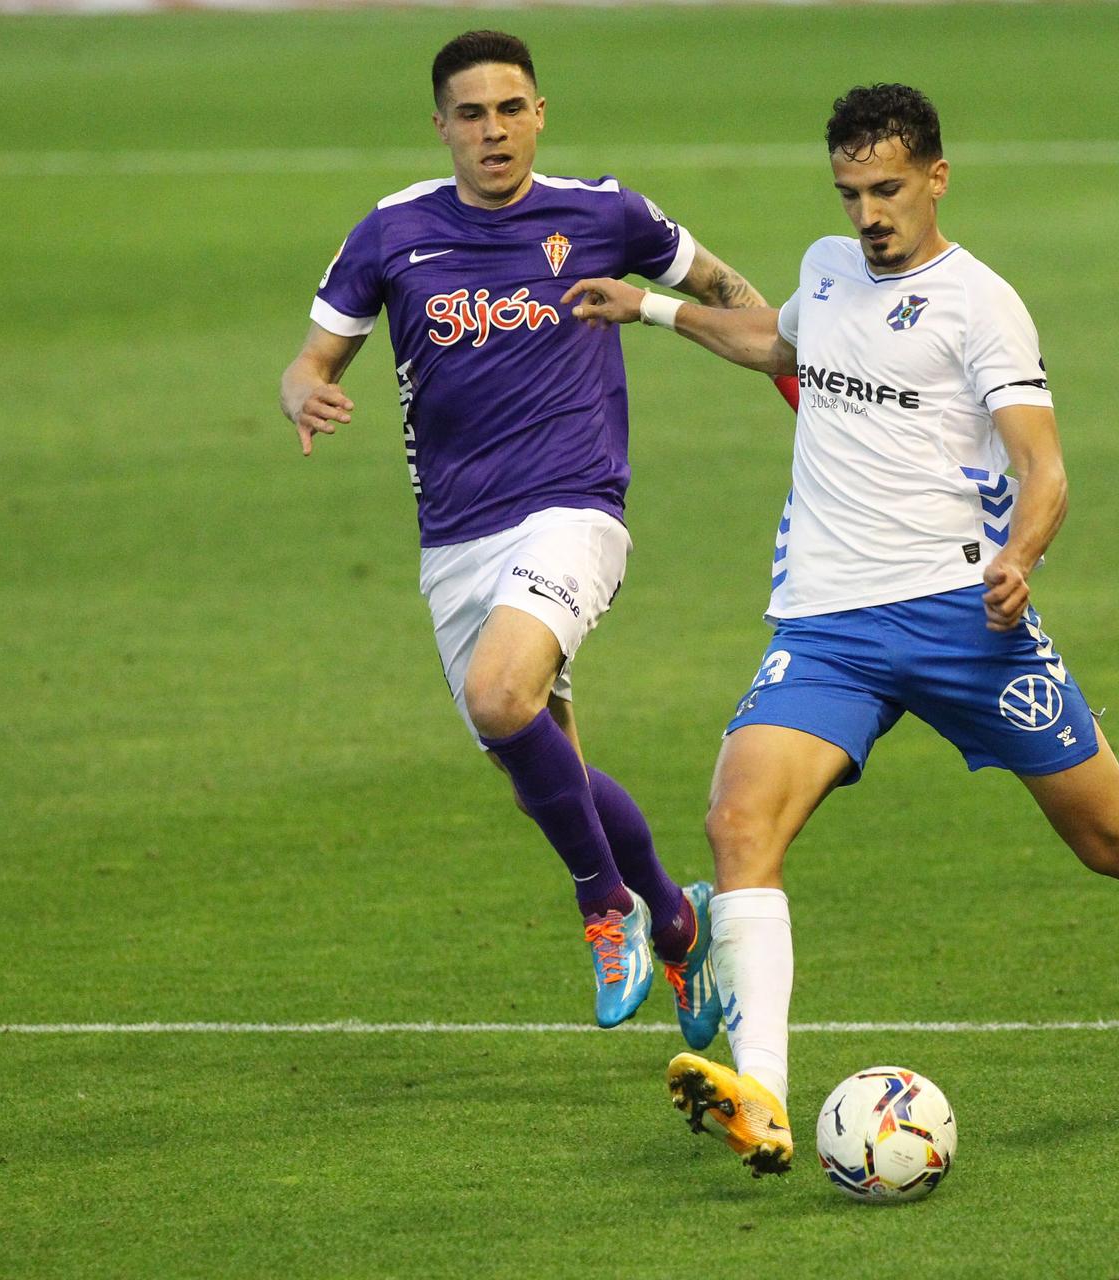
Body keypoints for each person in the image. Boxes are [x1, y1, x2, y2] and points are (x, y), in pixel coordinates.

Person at [567, 82, 1119, 1177]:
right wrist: (654, 309)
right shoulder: (826, 267)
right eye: (848, 192)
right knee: (738, 824)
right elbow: (783, 343)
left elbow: (1042, 465)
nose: (867, 213)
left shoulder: (981, 304)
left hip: (963, 621)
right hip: (826, 623)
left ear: (934, 178)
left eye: (884, 190)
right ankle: (760, 1091)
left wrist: (1022, 557)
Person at [277, 30, 794, 1042]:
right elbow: (312, 359)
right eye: (470, 115)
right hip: (454, 539)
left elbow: (740, 300)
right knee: (538, 766)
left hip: (573, 507)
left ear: (539, 112)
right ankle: (676, 917)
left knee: (497, 694)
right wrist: (305, 394)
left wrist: (793, 371)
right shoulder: (391, 233)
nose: (493, 131)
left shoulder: (606, 213)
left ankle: (605, 908)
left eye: (509, 109)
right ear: (441, 128)